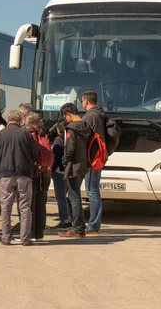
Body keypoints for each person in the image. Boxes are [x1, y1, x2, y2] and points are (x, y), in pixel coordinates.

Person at [0, 110, 38, 246]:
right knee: (25, 207)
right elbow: (35, 152)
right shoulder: (26, 134)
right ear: (20, 120)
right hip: (24, 174)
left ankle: (6, 237)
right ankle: (25, 239)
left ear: (8, 120)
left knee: (6, 207)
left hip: (5, 174)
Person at [58, 103, 92, 238]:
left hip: (73, 166)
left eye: (65, 117)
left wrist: (65, 161)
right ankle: (80, 227)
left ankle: (78, 229)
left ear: (68, 114)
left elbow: (69, 149)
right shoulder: (86, 126)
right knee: (75, 195)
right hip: (84, 165)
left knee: (74, 197)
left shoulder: (71, 128)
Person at [81, 91, 106, 235]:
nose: (82, 104)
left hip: (92, 159)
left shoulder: (90, 116)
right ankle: (94, 224)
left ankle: (93, 225)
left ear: (85, 101)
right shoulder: (100, 114)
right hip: (99, 157)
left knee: (92, 191)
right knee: (94, 190)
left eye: (82, 101)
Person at [25, 112, 52, 242]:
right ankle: (39, 234)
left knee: (30, 204)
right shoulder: (45, 135)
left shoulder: (28, 135)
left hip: (33, 173)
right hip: (45, 173)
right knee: (41, 204)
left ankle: (29, 233)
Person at [49, 119, 72, 229]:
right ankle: (68, 217)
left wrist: (51, 169)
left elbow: (55, 156)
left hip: (58, 171)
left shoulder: (58, 140)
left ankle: (65, 219)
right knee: (66, 195)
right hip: (68, 170)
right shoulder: (70, 138)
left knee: (60, 197)